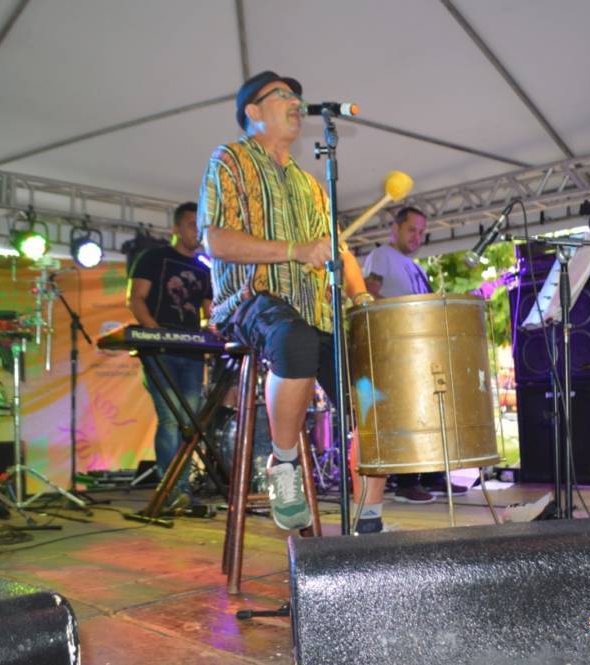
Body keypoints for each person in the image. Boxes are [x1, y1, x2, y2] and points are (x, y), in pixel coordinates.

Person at [197, 70, 375, 532]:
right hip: (251, 298)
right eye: (282, 95)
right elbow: (216, 240)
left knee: (374, 392)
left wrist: (361, 300)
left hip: (317, 311)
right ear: (252, 111)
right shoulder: (230, 161)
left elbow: (340, 251)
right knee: (294, 339)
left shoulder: (312, 185)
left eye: (298, 95)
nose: (296, 101)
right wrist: (296, 250)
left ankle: (371, 520)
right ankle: (284, 461)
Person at [361, 207, 469, 503]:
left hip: (421, 350)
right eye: (412, 230)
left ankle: (433, 476)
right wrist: (405, 315)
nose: (417, 237)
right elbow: (368, 294)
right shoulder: (382, 256)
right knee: (407, 411)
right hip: (396, 348)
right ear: (395, 229)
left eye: (422, 232)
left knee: (430, 410)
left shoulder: (415, 266)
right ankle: (406, 481)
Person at [127, 201, 212, 506]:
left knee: (188, 422)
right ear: (176, 228)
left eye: (200, 226)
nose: (196, 231)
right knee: (170, 418)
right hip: (160, 351)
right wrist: (155, 332)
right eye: (191, 225)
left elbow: (209, 312)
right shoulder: (153, 258)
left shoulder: (204, 269)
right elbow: (136, 299)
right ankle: (170, 490)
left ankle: (182, 490)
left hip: (191, 353)